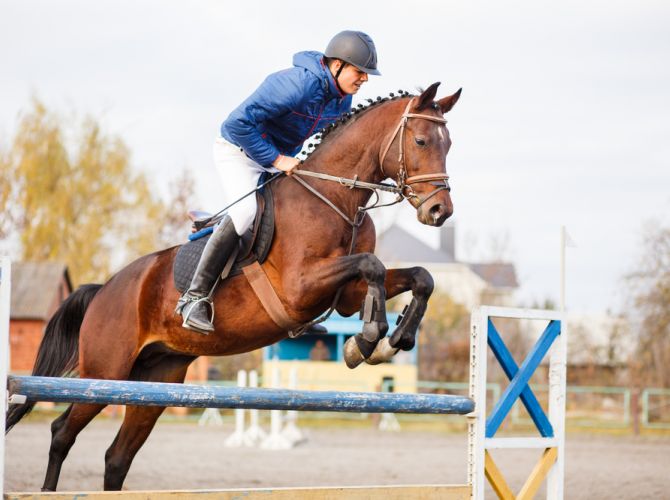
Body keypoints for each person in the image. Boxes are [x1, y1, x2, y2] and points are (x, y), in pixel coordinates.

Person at [176, 30, 381, 333]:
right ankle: (194, 298)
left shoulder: (342, 102)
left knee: (302, 218)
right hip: (238, 150)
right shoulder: (296, 84)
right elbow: (236, 124)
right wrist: (276, 159)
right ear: (336, 65)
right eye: (359, 71)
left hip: (278, 160)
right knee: (246, 213)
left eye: (367, 74)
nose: (364, 79)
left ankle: (297, 311)